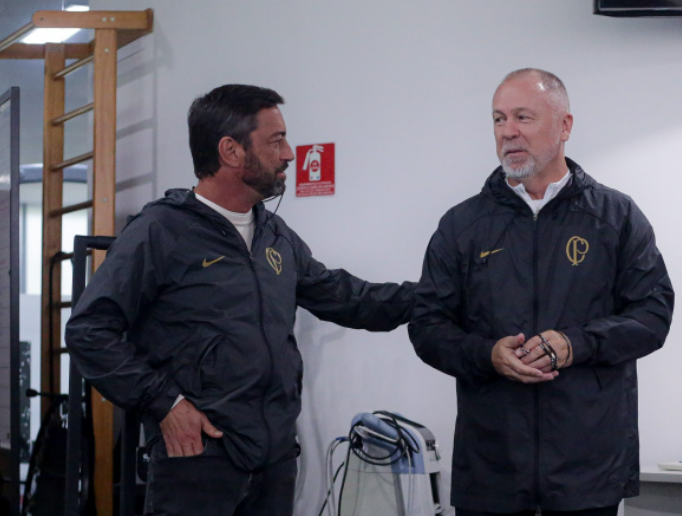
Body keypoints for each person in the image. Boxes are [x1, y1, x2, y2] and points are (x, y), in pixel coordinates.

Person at [65, 84, 414, 516]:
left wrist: (440, 296)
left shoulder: (274, 234)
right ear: (231, 150)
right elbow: (88, 330)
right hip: (197, 461)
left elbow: (347, 298)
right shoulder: (161, 231)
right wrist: (164, 403)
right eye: (276, 140)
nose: (288, 153)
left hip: (273, 460)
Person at [408, 68, 674, 516]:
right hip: (492, 470)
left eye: (523, 117)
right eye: (498, 119)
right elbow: (427, 325)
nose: (507, 131)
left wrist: (576, 344)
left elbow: (653, 315)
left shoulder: (616, 217)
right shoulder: (461, 225)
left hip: (587, 473)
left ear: (564, 126)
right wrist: (486, 354)